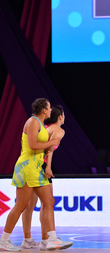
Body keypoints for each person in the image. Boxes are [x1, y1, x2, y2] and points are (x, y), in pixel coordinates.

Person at [0, 98, 72, 251]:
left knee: (48, 202)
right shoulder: (32, 122)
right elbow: (33, 145)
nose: (51, 110)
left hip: (37, 168)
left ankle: (52, 239)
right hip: (26, 168)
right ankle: (4, 240)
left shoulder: (41, 125)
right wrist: (51, 143)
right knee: (21, 205)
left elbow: (41, 147)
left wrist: (47, 151)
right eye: (49, 107)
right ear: (44, 110)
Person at [20, 106, 65, 251]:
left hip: (29, 165)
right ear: (60, 117)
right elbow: (50, 150)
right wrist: (48, 167)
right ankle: (46, 240)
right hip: (41, 167)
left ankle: (27, 239)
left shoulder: (44, 127)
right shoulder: (59, 130)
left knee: (29, 206)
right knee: (47, 203)